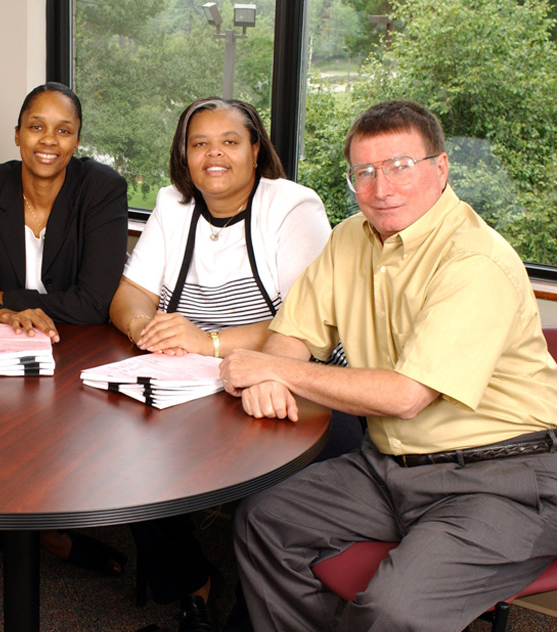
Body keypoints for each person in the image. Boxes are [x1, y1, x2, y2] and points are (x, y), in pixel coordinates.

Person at [222, 100, 557, 632]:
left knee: (393, 610)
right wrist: (271, 369)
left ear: (440, 168)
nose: (381, 188)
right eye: (365, 172)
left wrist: (275, 372)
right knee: (265, 521)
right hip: (387, 466)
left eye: (400, 166)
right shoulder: (350, 237)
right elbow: (291, 336)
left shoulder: (475, 260)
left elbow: (406, 396)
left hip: (503, 478)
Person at [109, 96, 339, 632]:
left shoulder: (292, 205)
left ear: (256, 151)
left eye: (230, 142)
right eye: (199, 144)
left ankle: (253, 614)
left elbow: (306, 324)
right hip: (191, 381)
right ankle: (193, 585)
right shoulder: (172, 205)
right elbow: (129, 295)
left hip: (287, 381)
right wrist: (148, 328)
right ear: (184, 157)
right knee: (129, 469)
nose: (215, 154)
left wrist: (207, 341)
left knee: (272, 493)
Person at [0, 82, 130, 573]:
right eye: (36, 127)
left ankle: (42, 531)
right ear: (17, 134)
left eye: (64, 131)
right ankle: (27, 532)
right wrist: (0, 314)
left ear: (77, 141)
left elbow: (94, 303)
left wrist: (5, 297)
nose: (48, 140)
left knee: (68, 439)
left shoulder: (102, 189)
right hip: (2, 350)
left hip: (77, 351)